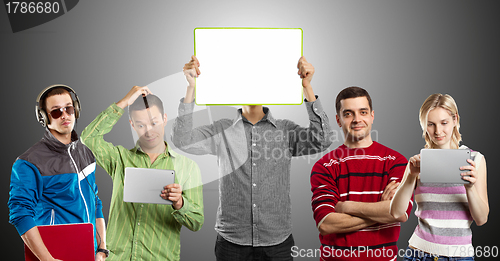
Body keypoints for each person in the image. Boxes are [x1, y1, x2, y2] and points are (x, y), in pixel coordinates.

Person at [172, 55, 332, 260]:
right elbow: (182, 139)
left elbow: (322, 139)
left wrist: (307, 87)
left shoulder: (285, 130)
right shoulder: (223, 130)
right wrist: (191, 88)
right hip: (231, 241)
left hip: (277, 241)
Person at [81, 87, 204, 260]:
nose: (148, 131)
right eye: (140, 125)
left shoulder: (188, 167)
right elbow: (88, 139)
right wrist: (124, 102)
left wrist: (180, 202)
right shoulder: (120, 159)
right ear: (132, 125)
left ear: (164, 119)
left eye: (154, 123)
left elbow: (196, 222)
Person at [310, 86, 412, 261]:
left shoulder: (396, 161)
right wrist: (382, 211)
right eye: (348, 114)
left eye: (363, 112)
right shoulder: (325, 165)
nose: (357, 119)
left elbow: (400, 212)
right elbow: (326, 223)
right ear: (338, 120)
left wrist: (347, 206)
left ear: (372, 116)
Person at [8, 85, 107, 261]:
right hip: (55, 255)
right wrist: (47, 260)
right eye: (56, 112)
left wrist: (102, 249)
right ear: (44, 118)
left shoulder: (86, 154)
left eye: (69, 108)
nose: (64, 115)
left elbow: (96, 203)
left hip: (88, 255)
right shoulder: (29, 162)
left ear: (75, 110)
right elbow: (20, 213)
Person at [390, 93, 489, 260]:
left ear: (455, 120)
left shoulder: (475, 160)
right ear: (424, 126)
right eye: (431, 124)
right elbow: (396, 212)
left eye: (444, 123)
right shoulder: (417, 163)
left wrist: (470, 188)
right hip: (418, 253)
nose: (438, 131)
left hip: (460, 256)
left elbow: (481, 219)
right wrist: (410, 177)